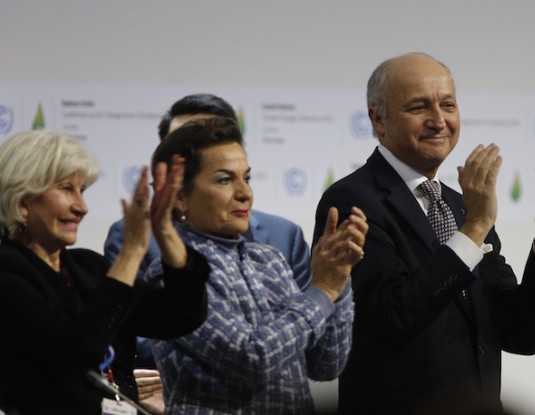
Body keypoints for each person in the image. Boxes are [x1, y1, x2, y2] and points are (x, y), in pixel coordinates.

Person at [312, 52, 535, 414]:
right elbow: (392, 317)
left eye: (448, 104)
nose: (439, 120)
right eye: (419, 107)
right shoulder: (353, 199)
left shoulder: (463, 206)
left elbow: (521, 333)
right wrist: (474, 229)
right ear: (378, 119)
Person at [147, 117, 368, 414]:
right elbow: (251, 359)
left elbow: (326, 365)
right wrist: (322, 290)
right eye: (225, 180)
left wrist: (339, 280)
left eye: (247, 178)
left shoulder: (270, 261)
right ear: (180, 197)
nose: (245, 193)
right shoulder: (173, 276)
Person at [0, 130, 210, 414]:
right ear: (24, 203)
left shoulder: (87, 266)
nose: (82, 207)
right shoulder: (8, 271)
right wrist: (131, 252)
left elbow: (178, 316)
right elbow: (76, 351)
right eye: (66, 189)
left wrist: (166, 233)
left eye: (82, 191)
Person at [105, 93, 311, 291]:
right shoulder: (134, 238)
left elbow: (318, 323)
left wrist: (332, 293)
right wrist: (323, 293)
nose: (245, 193)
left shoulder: (282, 240)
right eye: (185, 142)